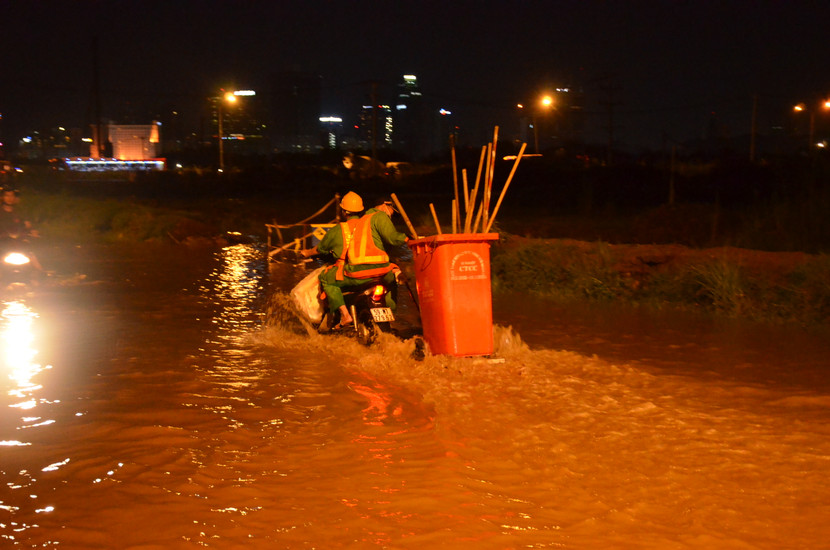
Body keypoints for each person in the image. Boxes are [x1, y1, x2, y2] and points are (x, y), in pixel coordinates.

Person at [300, 190, 365, 329]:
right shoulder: (369, 227)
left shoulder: (339, 229)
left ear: (344, 212)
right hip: (373, 270)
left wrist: (307, 252)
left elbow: (321, 249)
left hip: (350, 272)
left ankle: (345, 315)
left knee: (326, 278)